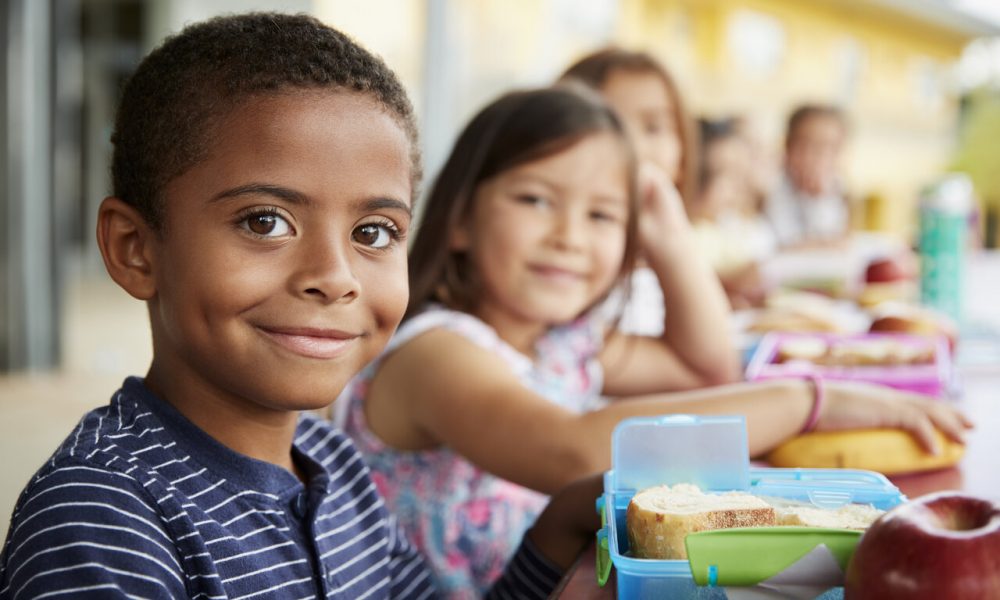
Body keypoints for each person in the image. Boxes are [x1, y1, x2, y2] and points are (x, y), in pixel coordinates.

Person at [0, 13, 600, 599]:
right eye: (266, 222)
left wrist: (557, 531)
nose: (334, 278)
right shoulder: (101, 518)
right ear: (137, 250)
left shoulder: (334, 464)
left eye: (373, 233)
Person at [338, 84, 972, 596]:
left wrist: (669, 234)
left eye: (602, 215)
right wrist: (815, 399)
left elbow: (704, 367)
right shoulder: (434, 353)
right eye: (536, 199)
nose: (570, 235)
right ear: (458, 221)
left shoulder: (563, 343)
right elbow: (574, 453)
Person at [559, 48, 738, 365]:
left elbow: (716, 362)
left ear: (682, 156)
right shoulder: (562, 260)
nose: (635, 148)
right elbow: (712, 369)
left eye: (654, 128)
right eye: (608, 123)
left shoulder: (660, 261)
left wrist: (673, 240)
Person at [689, 116, 778, 308]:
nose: (737, 186)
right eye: (724, 174)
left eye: (739, 174)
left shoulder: (725, 227)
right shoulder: (685, 235)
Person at [765, 103, 851, 248]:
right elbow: (785, 243)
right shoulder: (772, 185)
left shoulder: (837, 187)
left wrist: (819, 199)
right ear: (787, 145)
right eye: (808, 145)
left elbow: (839, 237)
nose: (818, 156)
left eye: (829, 147)